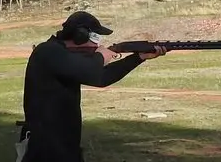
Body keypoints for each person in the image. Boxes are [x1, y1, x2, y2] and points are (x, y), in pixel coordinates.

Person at [19, 11, 165, 161]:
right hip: (46, 146)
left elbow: (101, 77)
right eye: (95, 37)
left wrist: (139, 57)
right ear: (80, 35)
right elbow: (91, 72)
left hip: (62, 143)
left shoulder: (59, 53)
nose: (97, 44)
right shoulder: (49, 51)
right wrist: (102, 55)